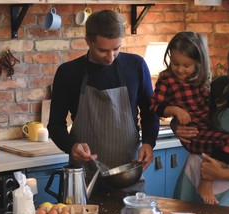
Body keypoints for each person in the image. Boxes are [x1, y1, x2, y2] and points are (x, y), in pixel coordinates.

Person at [47, 10, 159, 191]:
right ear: (88, 41)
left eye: (117, 48)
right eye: (103, 50)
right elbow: (55, 125)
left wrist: (148, 142)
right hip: (82, 181)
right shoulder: (68, 73)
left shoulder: (135, 66)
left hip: (127, 177)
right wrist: (71, 146)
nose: (111, 57)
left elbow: (150, 111)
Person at [150, 31, 229, 205]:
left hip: (207, 132)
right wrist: (175, 111)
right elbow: (154, 106)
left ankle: (207, 179)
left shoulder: (202, 79)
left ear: (198, 63)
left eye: (186, 65)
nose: (180, 69)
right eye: (175, 63)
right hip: (195, 134)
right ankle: (207, 182)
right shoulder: (167, 79)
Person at [173, 32, 229, 209]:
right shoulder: (222, 87)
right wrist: (177, 126)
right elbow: (196, 116)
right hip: (197, 171)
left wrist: (218, 174)